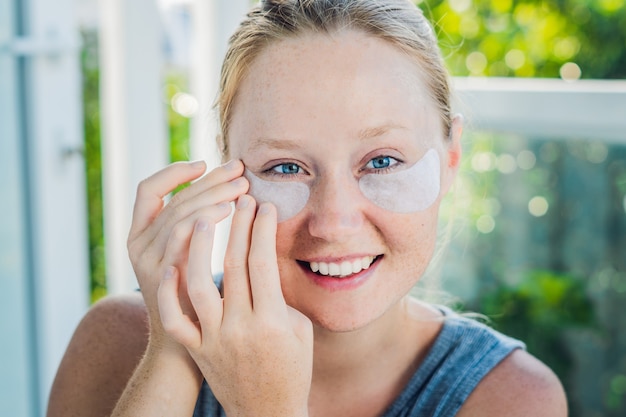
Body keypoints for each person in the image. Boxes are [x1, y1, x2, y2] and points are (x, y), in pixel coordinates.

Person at [47, 0, 568, 416]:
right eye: (286, 168)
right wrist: (173, 351)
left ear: (451, 159)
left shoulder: (510, 399)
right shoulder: (117, 345)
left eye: (382, 160)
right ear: (229, 178)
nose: (334, 221)